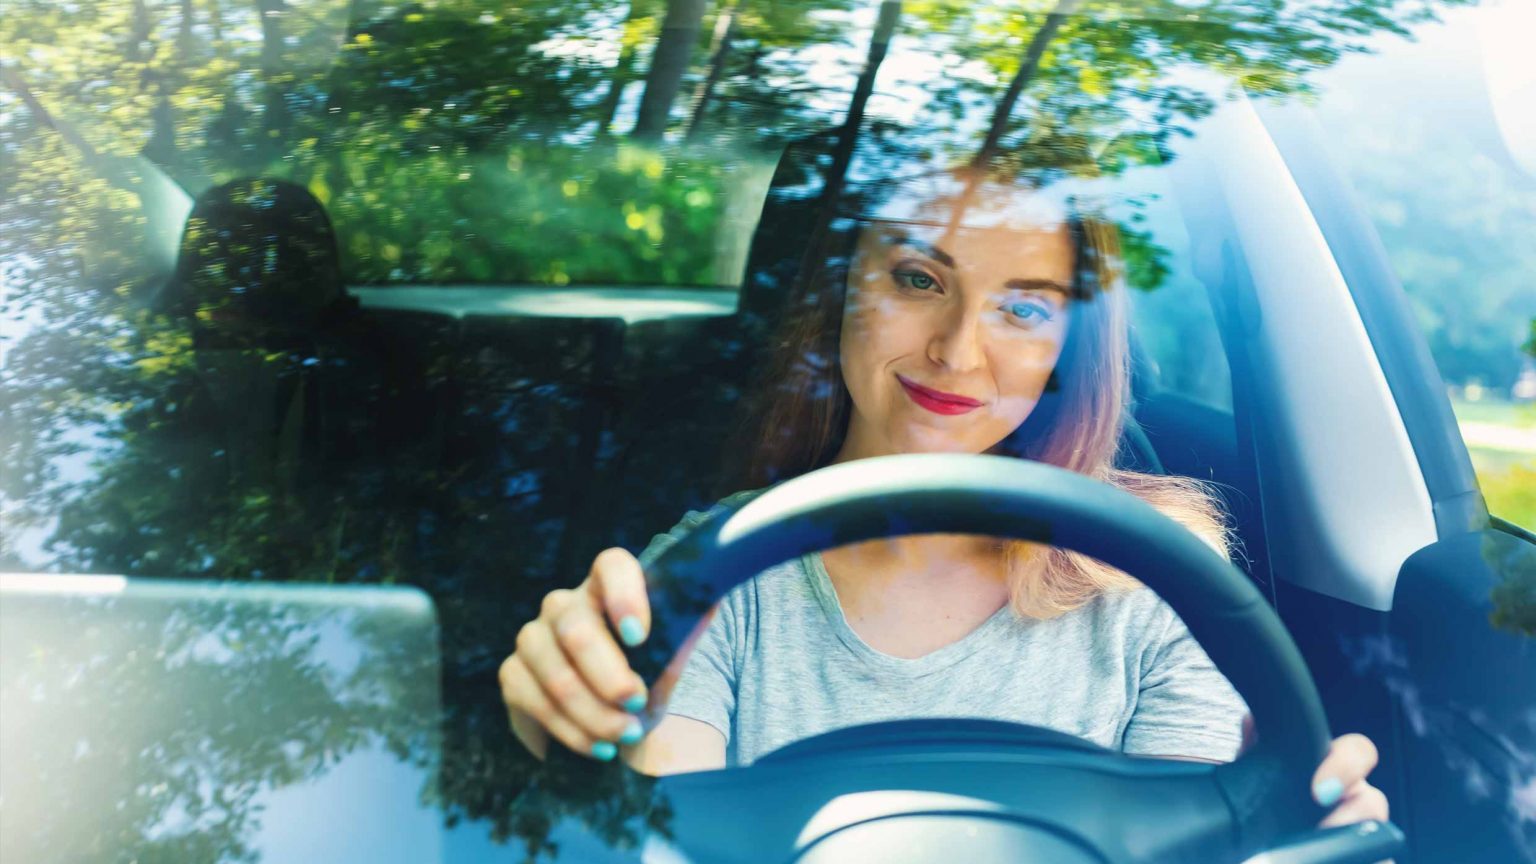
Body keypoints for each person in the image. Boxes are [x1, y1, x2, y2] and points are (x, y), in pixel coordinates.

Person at [497, 166, 1389, 828]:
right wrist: (590, 731)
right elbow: (672, 830)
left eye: (1025, 309)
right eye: (919, 280)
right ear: (841, 292)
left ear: (1064, 354)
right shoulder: (712, 569)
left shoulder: (1157, 570)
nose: (959, 352)